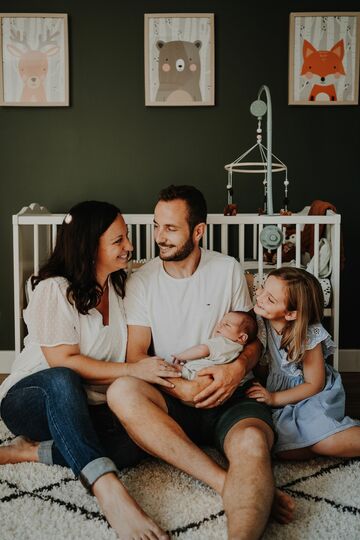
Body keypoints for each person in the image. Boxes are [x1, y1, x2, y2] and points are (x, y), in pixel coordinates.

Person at [106, 185, 295, 540]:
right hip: (173, 393)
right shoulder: (141, 281)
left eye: (171, 228)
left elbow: (251, 340)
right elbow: (136, 356)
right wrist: (184, 388)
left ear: (198, 231)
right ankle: (225, 482)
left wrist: (235, 370)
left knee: (253, 445)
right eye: (156, 226)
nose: (159, 237)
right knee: (122, 391)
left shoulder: (226, 269)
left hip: (231, 393)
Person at [0, 201, 181, 540]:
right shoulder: (54, 290)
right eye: (118, 240)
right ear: (89, 246)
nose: (129, 246)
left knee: (139, 439)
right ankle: (107, 488)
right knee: (63, 378)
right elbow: (62, 361)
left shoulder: (119, 286)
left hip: (85, 405)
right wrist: (134, 370)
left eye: (126, 237)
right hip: (33, 400)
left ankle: (30, 451)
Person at [247, 267, 360, 459]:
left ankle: (335, 438)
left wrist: (273, 398)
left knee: (325, 440)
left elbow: (314, 385)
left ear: (291, 314)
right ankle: (316, 443)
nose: (260, 297)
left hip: (310, 396)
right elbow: (248, 279)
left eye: (270, 298)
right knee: (280, 447)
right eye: (263, 288)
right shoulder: (260, 323)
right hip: (279, 397)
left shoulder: (307, 335)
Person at [173, 311, 257, 382]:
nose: (219, 325)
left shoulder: (223, 342)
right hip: (218, 381)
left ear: (242, 337)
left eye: (227, 325)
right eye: (220, 322)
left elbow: (202, 350)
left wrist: (180, 356)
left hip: (196, 375)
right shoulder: (239, 349)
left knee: (172, 369)